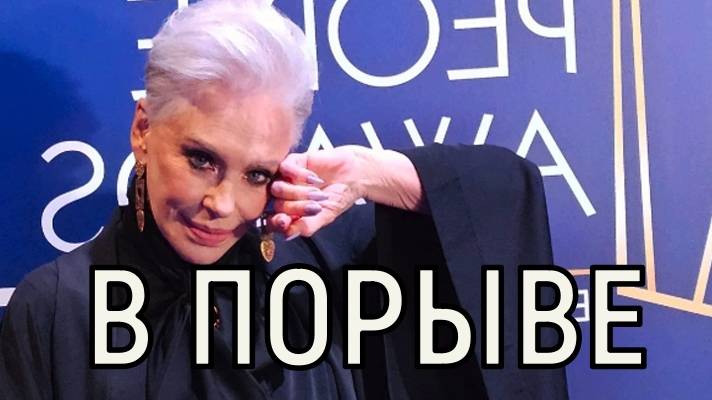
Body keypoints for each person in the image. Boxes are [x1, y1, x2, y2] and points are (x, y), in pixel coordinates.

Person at [0, 0, 567, 399]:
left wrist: (367, 172)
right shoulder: (54, 308)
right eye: (201, 159)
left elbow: (501, 195)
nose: (223, 203)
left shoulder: (318, 270)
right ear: (143, 129)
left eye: (256, 174)